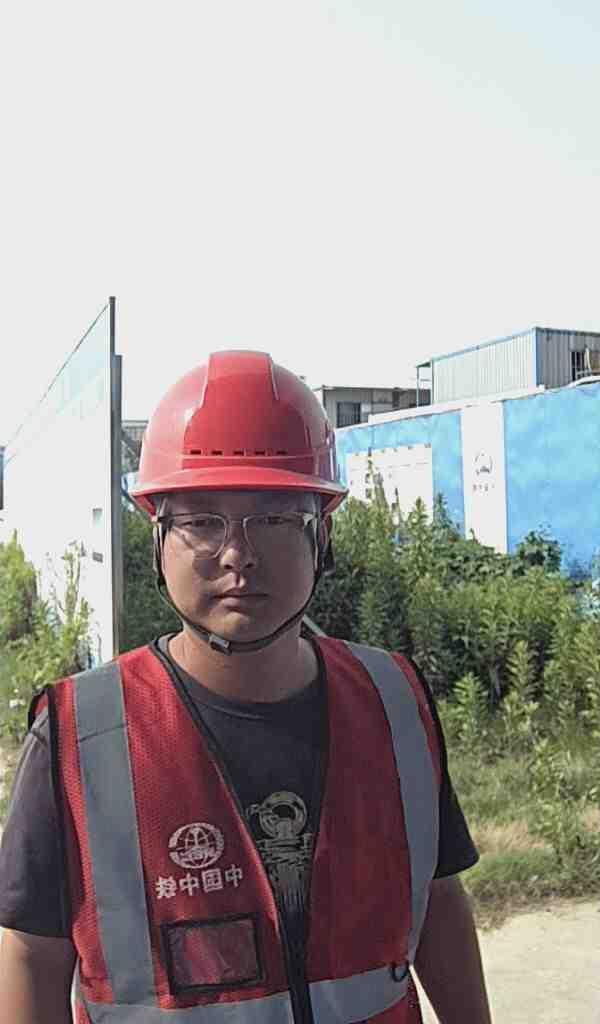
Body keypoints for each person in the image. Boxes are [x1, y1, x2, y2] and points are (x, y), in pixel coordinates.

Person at [0, 350, 492, 1024]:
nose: (239, 555)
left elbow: (436, 901)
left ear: (322, 536)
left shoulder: (393, 703)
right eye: (202, 521)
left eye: (275, 519)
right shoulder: (80, 736)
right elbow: (31, 954)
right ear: (158, 538)